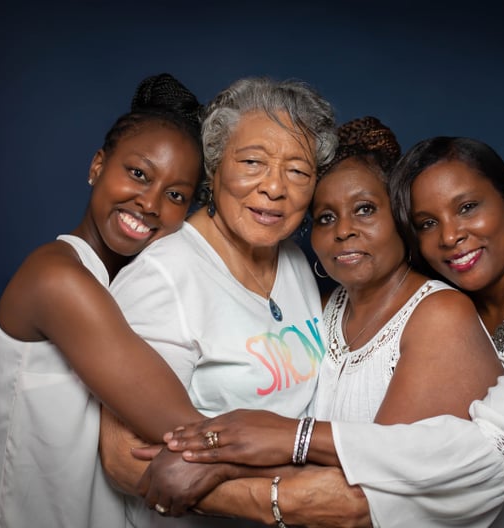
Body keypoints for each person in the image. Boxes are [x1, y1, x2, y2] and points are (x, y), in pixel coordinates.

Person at [163, 135, 504, 527]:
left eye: (467, 208)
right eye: (428, 222)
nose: (451, 235)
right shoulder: (463, 303)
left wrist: (272, 446)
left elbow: (495, 451)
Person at [129, 118, 504, 525]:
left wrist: (222, 463)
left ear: (400, 217)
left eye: (364, 210)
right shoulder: (326, 308)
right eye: (325, 217)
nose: (344, 230)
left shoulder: (438, 314)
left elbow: (376, 481)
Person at [0, 73, 208, 527]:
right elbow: (188, 432)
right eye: (138, 174)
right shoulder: (58, 279)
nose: (149, 203)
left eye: (175, 195)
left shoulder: (137, 288)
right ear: (97, 166)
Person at [96, 75, 338, 527]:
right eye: (252, 162)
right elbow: (124, 459)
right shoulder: (164, 277)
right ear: (214, 168)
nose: (275, 187)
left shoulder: (295, 261)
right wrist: (287, 498)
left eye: (298, 171)